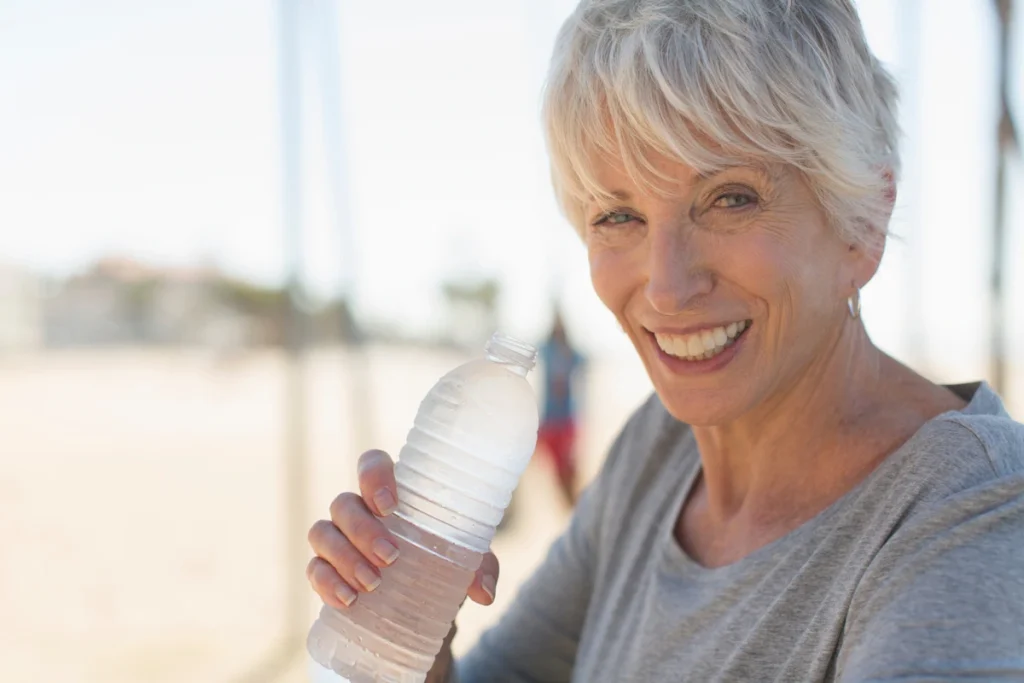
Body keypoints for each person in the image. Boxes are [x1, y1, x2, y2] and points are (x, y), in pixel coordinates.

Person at [305, 1, 1024, 681]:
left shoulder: (970, 514)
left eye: (732, 198)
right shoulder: (660, 452)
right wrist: (415, 643)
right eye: (618, 215)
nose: (667, 287)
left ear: (862, 222)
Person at [536, 310, 585, 506]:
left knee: (565, 473)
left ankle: (574, 509)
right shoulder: (547, 351)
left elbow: (584, 364)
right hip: (548, 420)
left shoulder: (571, 354)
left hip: (565, 421)